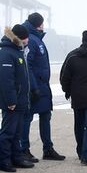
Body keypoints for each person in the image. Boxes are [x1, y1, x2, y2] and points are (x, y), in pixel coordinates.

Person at [21, 12, 65, 161]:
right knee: (28, 117)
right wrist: (33, 87)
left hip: (43, 86)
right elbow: (29, 65)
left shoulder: (36, 39)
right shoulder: (32, 40)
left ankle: (48, 148)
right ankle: (24, 149)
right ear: (38, 24)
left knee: (45, 115)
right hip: (35, 87)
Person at [0, 24, 35, 172]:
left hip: (20, 100)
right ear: (18, 38)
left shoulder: (18, 52)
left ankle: (16, 157)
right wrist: (11, 101)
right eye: (25, 38)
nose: (27, 40)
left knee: (17, 132)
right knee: (8, 132)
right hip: (12, 102)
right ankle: (4, 161)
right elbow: (6, 80)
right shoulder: (6, 53)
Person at [60, 29, 87, 166]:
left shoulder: (72, 55)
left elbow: (64, 77)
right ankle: (86, 156)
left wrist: (67, 91)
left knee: (79, 125)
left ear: (83, 40)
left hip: (77, 96)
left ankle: (81, 151)